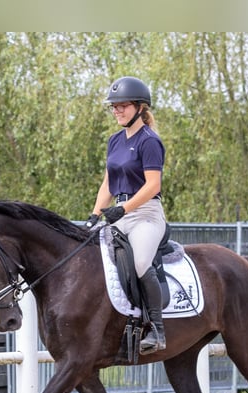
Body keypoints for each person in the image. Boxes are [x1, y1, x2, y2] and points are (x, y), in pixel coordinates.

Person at [85, 76, 167, 355]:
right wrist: (94, 216)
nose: (117, 110)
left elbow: (153, 185)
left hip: (145, 213)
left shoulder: (149, 141)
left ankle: (156, 329)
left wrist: (124, 208)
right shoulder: (115, 141)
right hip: (118, 213)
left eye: (123, 105)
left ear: (141, 108)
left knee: (141, 262)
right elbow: (108, 183)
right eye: (113, 106)